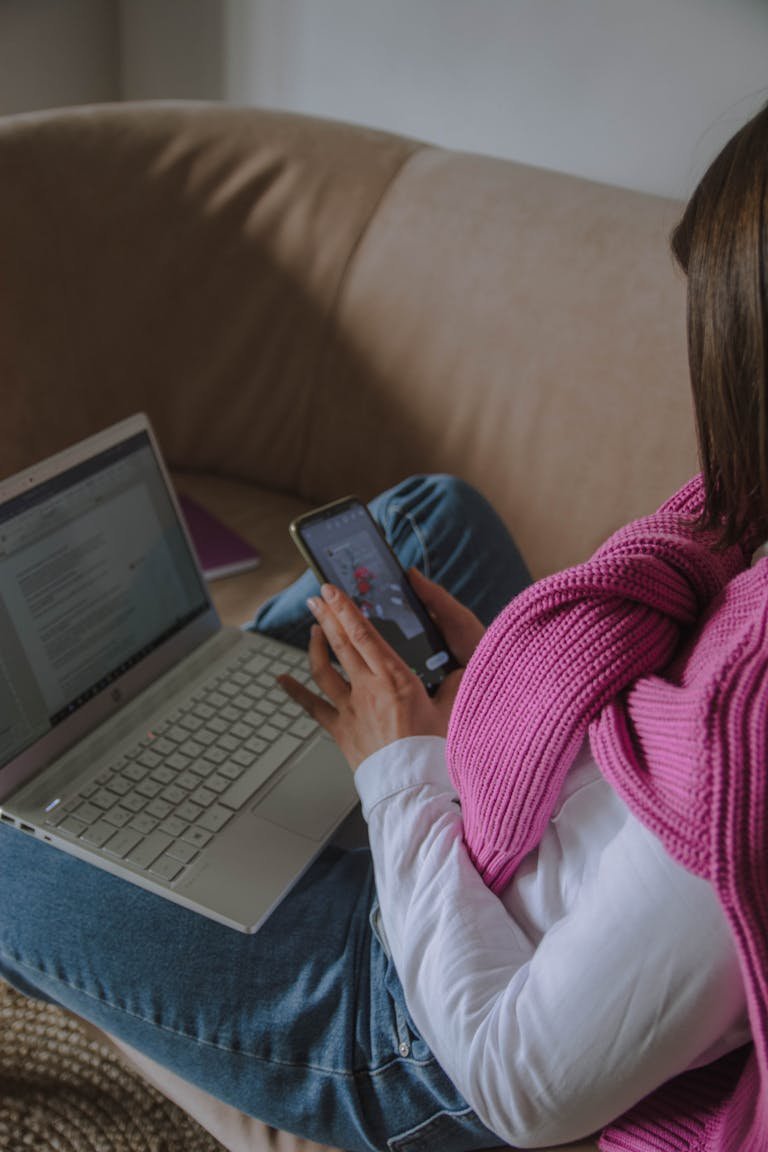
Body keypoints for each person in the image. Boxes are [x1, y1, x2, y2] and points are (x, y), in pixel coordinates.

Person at [2, 99, 768, 1152]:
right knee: (426, 518)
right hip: (517, 809)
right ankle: (222, 742)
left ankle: (236, 784)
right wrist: (504, 689)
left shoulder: (757, 749)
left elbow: (516, 1080)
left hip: (424, 1023)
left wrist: (402, 769)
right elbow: (636, 791)